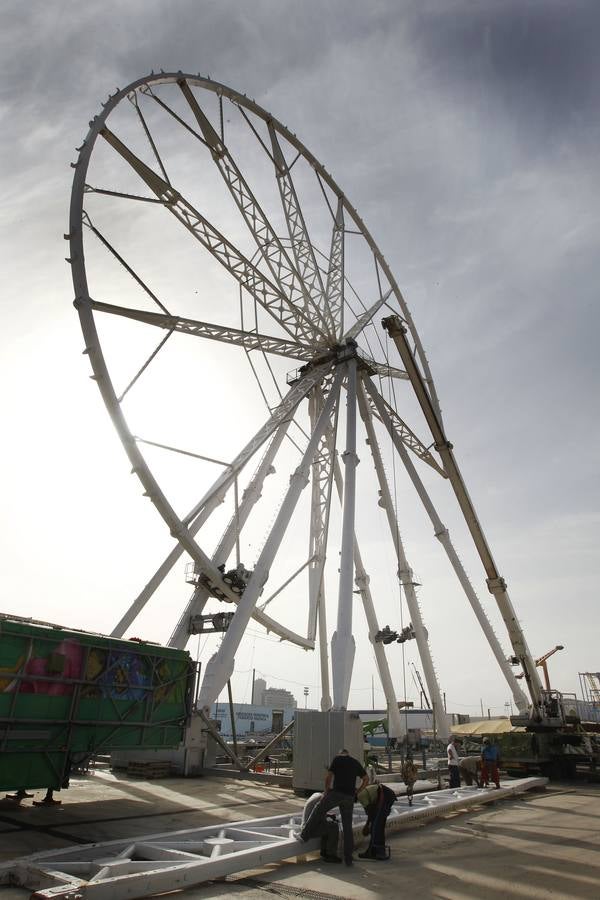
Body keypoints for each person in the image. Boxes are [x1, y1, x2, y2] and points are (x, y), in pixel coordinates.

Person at [300, 749, 368, 866]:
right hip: (349, 797)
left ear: (340, 754)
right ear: (348, 754)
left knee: (318, 809)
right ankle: (348, 858)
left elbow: (329, 777)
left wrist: (326, 791)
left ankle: (304, 835)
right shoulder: (355, 762)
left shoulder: (337, 759)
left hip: (336, 793)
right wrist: (357, 791)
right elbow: (366, 779)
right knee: (347, 827)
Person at [357, 781, 397, 859]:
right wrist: (368, 824)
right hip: (387, 795)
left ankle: (375, 852)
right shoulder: (362, 794)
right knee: (378, 826)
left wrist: (367, 825)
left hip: (384, 795)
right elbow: (371, 812)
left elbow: (370, 811)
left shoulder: (360, 796)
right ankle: (376, 851)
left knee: (376, 827)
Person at [299, 792, 341, 862]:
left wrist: (328, 815)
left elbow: (315, 813)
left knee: (328, 826)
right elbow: (317, 818)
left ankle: (324, 851)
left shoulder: (317, 795)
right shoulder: (322, 800)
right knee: (333, 827)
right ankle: (331, 854)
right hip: (308, 829)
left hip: (306, 825)